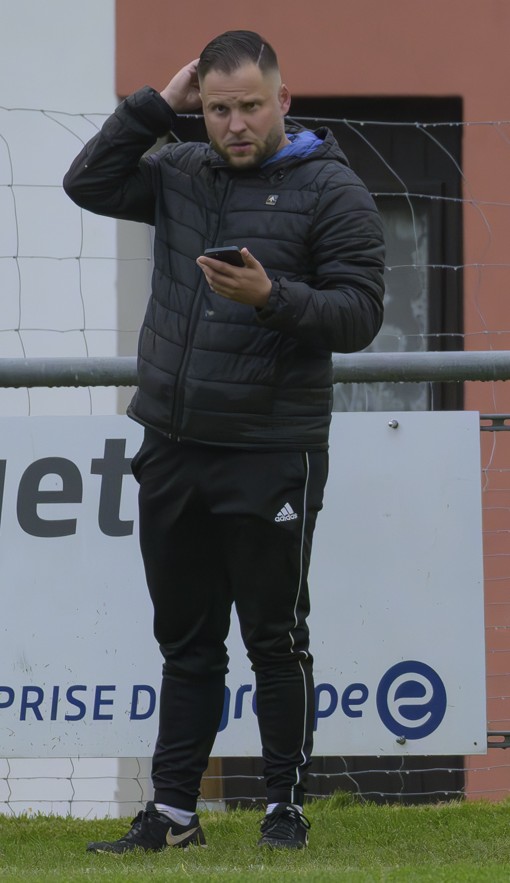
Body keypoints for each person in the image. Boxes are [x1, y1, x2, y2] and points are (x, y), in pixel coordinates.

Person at [63, 29, 385, 851]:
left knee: (274, 637)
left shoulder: (333, 190)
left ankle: (286, 806)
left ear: (284, 98)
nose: (235, 123)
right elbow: (87, 182)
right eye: (216, 108)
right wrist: (151, 107)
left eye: (249, 105)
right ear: (197, 107)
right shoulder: (180, 169)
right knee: (187, 639)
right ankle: (174, 815)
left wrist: (273, 296)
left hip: (272, 449)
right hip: (172, 443)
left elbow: (360, 313)